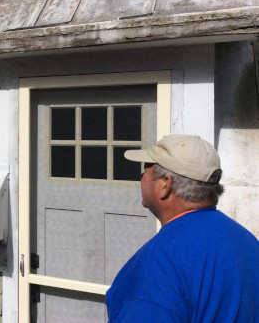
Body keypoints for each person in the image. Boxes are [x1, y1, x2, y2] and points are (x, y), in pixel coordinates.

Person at [106, 134, 259, 323]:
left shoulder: (158, 264)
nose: (141, 178)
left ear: (165, 184)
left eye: (145, 171)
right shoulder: (246, 240)